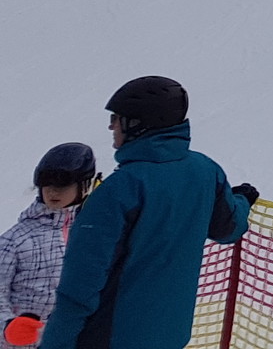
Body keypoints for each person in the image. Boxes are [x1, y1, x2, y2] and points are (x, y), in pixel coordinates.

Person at [39, 78, 255, 349]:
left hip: (110, 339)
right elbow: (229, 228)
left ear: (138, 124)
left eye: (116, 119)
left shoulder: (119, 191)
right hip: (169, 336)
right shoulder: (205, 171)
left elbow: (79, 289)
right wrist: (242, 200)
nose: (111, 126)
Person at [2, 145, 98, 346]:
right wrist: (7, 326)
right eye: (46, 185)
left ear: (84, 186)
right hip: (22, 342)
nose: (53, 191)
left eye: (63, 185)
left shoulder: (92, 234)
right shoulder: (16, 239)